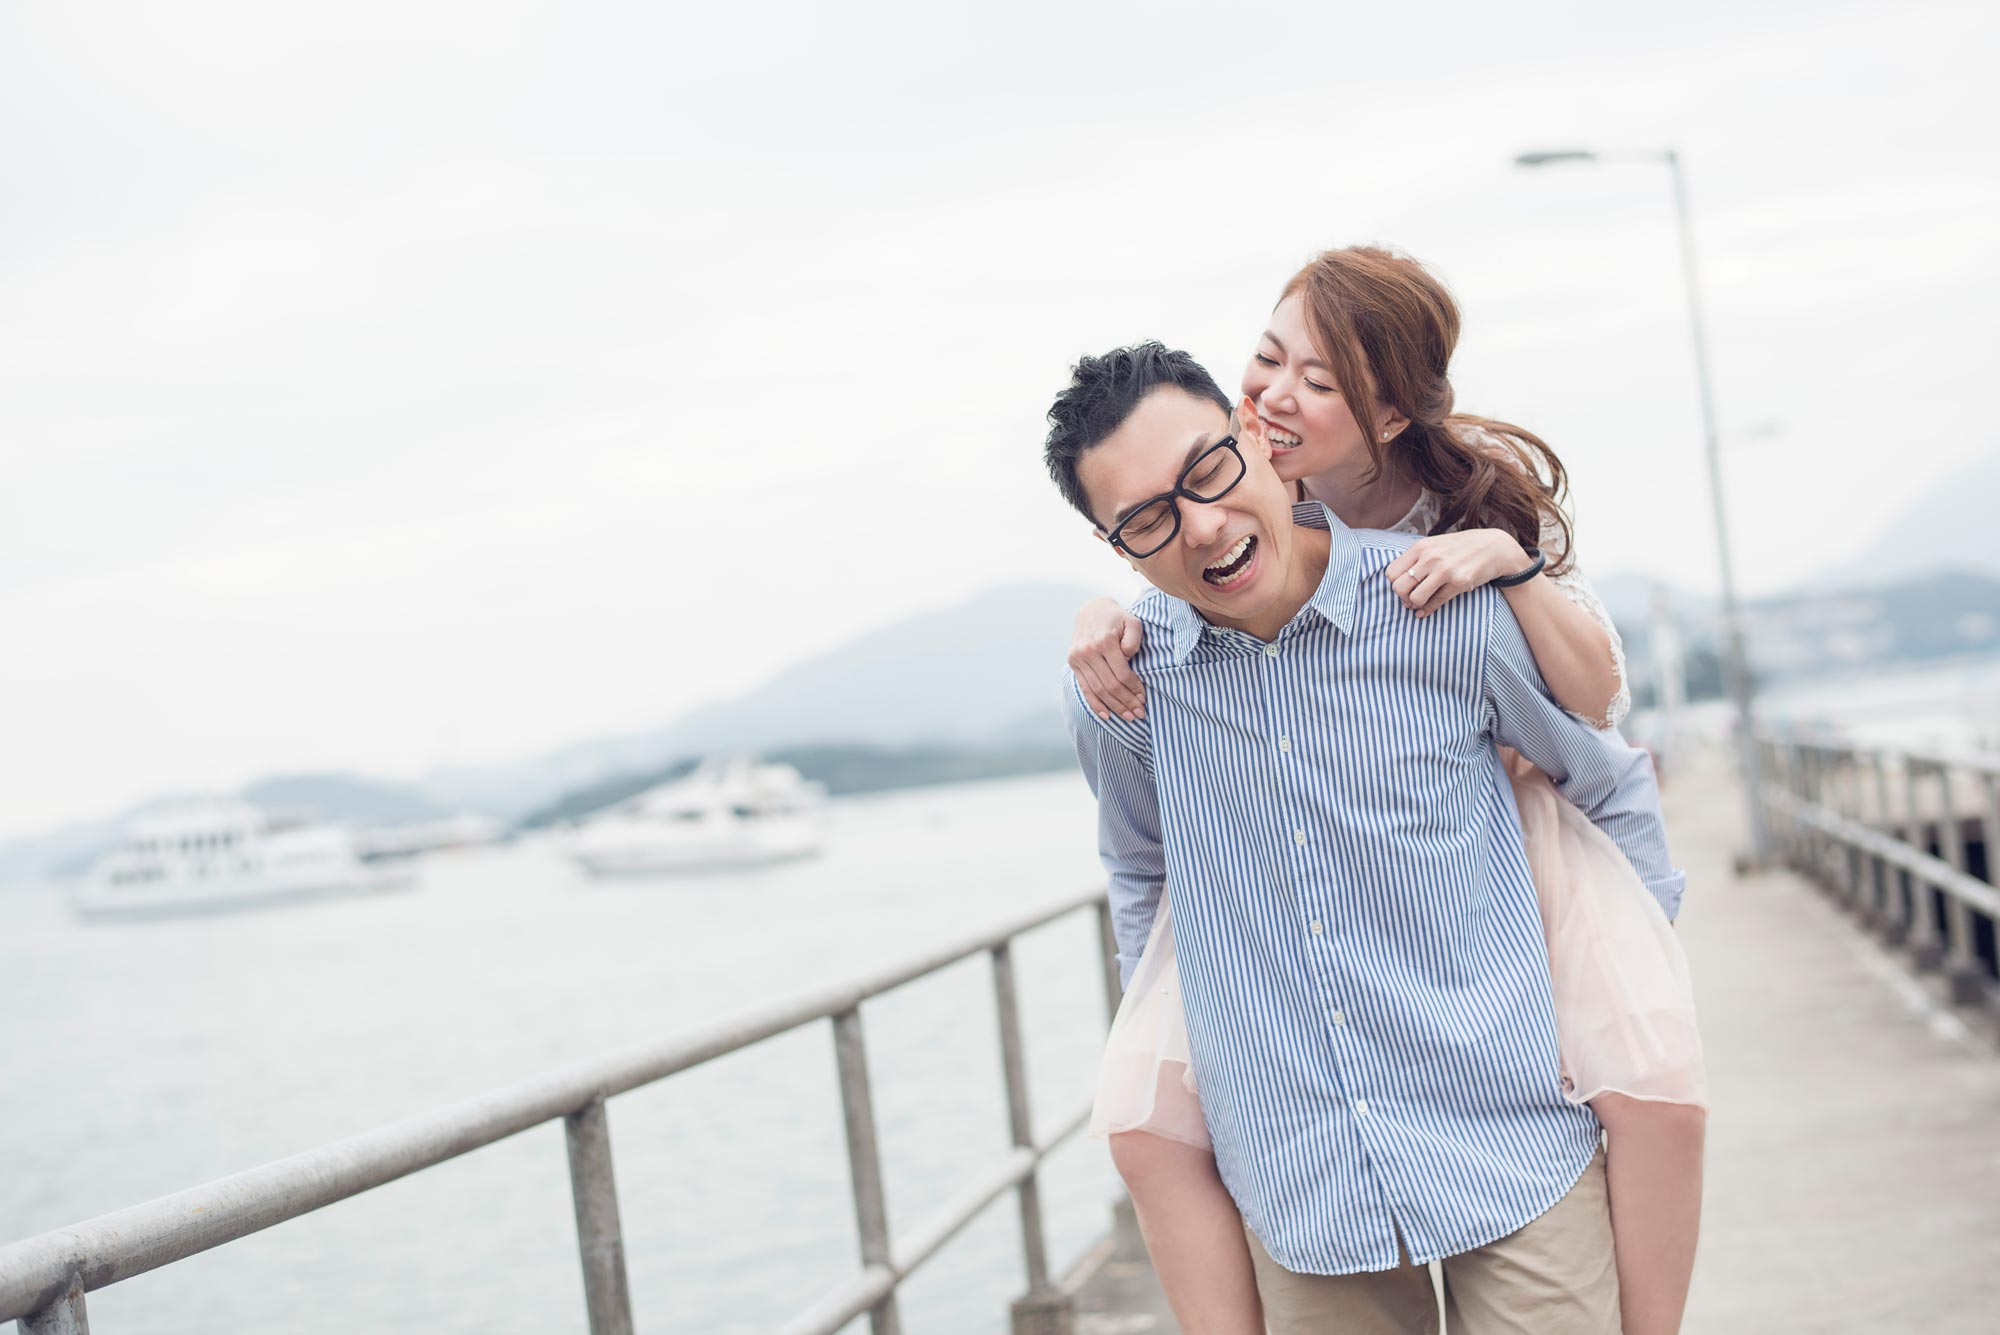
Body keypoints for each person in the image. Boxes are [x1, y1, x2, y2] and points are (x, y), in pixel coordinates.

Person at [1069, 250, 1707, 1335]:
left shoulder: (1456, 564)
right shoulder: (1142, 656)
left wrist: (1507, 563)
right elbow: (1141, 867)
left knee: (1657, 1088)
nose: (1281, 395)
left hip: (1501, 1013)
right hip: (1305, 1165)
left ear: (1391, 414)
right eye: (1270, 360)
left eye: (1321, 381)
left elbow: (1598, 723)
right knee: (1142, 1128)